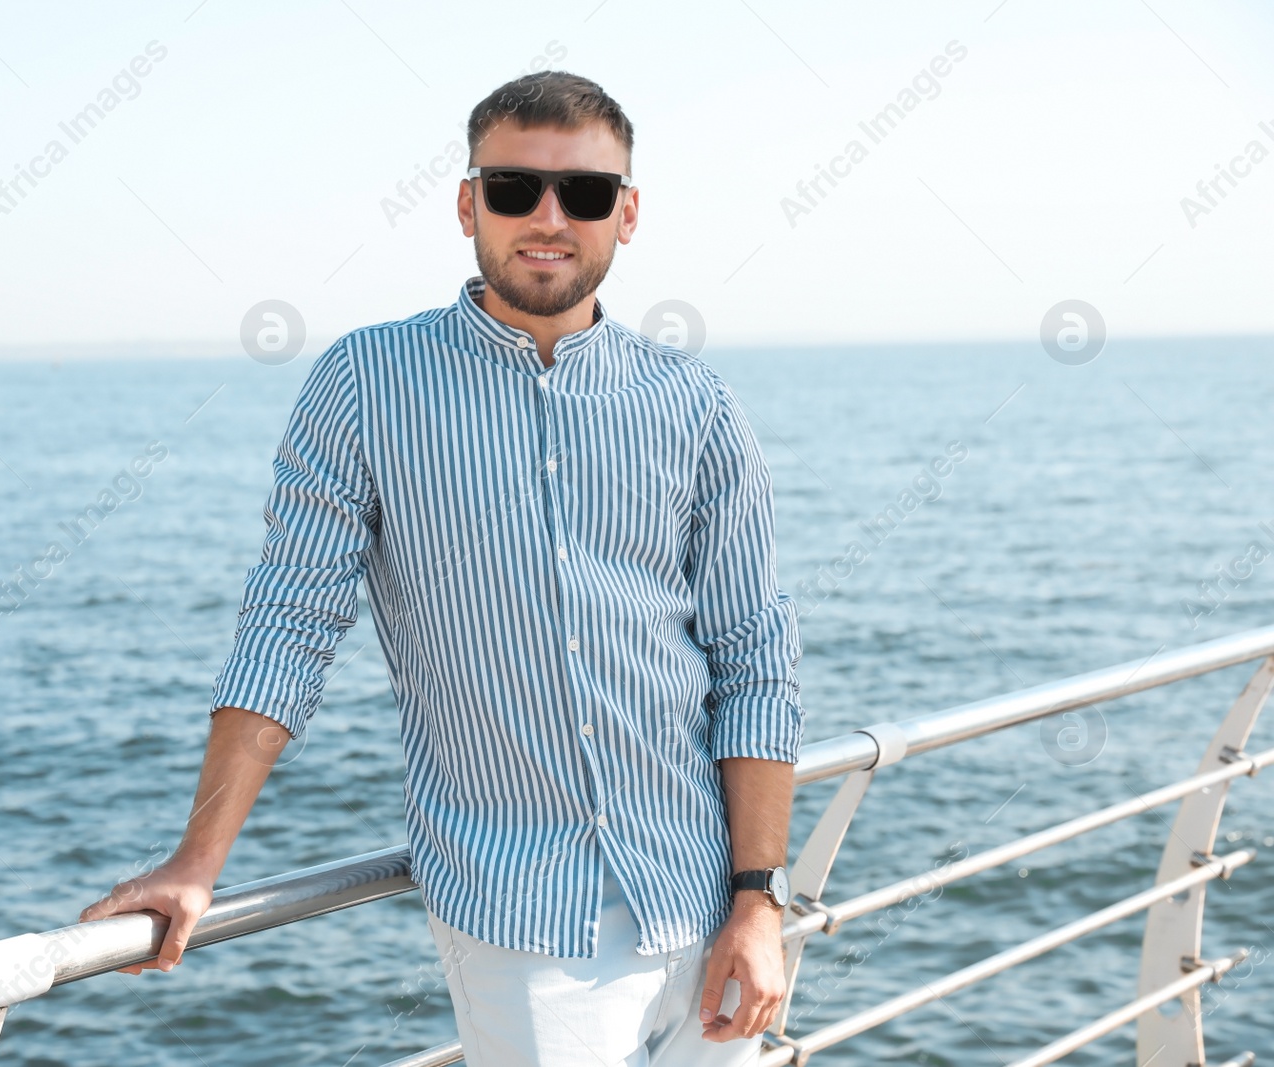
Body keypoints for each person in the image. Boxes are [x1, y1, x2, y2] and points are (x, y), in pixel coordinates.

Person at [79, 70, 805, 1067]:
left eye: (584, 194)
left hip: (703, 899)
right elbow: (288, 626)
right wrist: (198, 860)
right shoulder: (366, 382)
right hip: (519, 918)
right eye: (513, 189)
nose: (547, 218)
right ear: (468, 203)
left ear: (625, 215)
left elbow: (751, 658)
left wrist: (757, 902)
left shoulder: (697, 406)